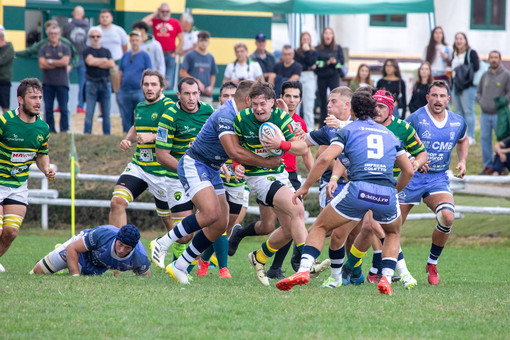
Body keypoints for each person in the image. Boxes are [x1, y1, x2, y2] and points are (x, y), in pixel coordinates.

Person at [276, 91, 413, 295]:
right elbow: (409, 170)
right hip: (386, 193)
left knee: (320, 227)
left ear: (352, 110)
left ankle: (304, 270)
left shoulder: (348, 129)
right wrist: (394, 191)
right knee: (392, 233)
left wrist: (305, 186)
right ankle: (385, 278)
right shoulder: (390, 134)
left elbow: (323, 159)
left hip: (358, 189)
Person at [150, 80, 280, 284]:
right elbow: (233, 151)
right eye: (254, 103)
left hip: (211, 168)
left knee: (221, 224)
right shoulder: (226, 115)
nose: (256, 108)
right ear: (247, 99)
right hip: (195, 164)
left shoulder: (241, 116)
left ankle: (181, 265)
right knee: (210, 213)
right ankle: (162, 242)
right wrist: (266, 162)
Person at [341, 90, 428, 290]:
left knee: (370, 228)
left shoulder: (403, 128)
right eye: (375, 106)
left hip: (393, 185)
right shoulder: (362, 125)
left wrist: (416, 162)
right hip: (367, 182)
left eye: (382, 107)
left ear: (391, 110)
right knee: (372, 228)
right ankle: (399, 273)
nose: (377, 110)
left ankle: (355, 269)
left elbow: (422, 153)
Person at [234, 82, 310, 286]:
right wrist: (236, 164)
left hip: (280, 173)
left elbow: (302, 148)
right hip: (257, 177)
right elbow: (234, 147)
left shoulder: (282, 117)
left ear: (271, 104)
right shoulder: (241, 119)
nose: (258, 109)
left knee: (287, 229)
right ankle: (306, 265)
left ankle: (258, 257)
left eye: (262, 104)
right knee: (298, 211)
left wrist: (281, 144)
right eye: (255, 104)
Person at [399, 80, 469, 285]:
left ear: (448, 99)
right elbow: (397, 144)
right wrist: (412, 161)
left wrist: (462, 161)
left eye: (442, 96)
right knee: (392, 226)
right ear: (427, 97)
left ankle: (432, 263)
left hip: (437, 177)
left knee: (447, 216)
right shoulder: (415, 119)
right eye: (434, 95)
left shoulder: (457, 121)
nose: (438, 100)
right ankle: (380, 267)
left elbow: (463, 139)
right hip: (410, 178)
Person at [152, 77, 215, 269]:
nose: (191, 98)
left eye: (195, 93)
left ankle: (185, 262)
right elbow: (162, 155)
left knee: (212, 219)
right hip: (177, 178)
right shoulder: (169, 116)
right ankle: (163, 243)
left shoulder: (208, 111)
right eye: (186, 93)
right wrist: (187, 170)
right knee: (185, 236)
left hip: (203, 176)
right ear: (178, 95)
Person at [0, 78, 56, 273]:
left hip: (18, 186)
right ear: (20, 100)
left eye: (40, 97)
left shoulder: (43, 128)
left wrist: (46, 168)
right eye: (33, 97)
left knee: (10, 232)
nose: (38, 101)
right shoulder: (5, 121)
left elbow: (42, 155)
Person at [109, 69, 174, 235]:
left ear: (162, 87)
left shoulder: (169, 107)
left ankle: (179, 251)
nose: (149, 88)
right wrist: (127, 139)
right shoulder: (139, 107)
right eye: (146, 84)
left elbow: (176, 133)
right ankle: (117, 251)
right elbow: (136, 127)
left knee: (169, 222)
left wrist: (152, 136)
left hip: (162, 172)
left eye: (154, 84)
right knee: (117, 202)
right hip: (140, 167)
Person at [196, 81, 239, 278]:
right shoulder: (215, 116)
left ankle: (203, 260)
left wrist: (241, 167)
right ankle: (222, 267)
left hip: (238, 179)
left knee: (227, 223)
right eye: (225, 96)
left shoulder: (244, 118)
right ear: (219, 98)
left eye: (233, 96)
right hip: (210, 171)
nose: (228, 99)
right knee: (214, 219)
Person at [32, 224, 150, 276]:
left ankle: (68, 265)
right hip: (79, 251)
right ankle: (62, 253)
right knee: (38, 271)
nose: (121, 250)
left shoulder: (140, 256)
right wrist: (75, 277)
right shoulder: (102, 235)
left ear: (133, 248)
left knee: (85, 274)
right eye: (120, 244)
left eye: (127, 248)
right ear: (116, 239)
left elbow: (145, 276)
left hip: (96, 266)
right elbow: (72, 248)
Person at [476, 50, 510, 175]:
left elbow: (509, 93)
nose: (494, 59)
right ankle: (489, 166)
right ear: (489, 60)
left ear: (500, 59)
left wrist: (501, 102)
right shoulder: (485, 75)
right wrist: (481, 101)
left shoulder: (506, 75)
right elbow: (478, 91)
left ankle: (503, 165)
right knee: (485, 139)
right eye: (491, 57)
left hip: (499, 115)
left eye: (496, 57)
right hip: (485, 114)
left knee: (502, 139)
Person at [38, 24, 71, 133]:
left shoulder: (65, 48)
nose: (53, 35)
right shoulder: (43, 48)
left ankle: (64, 129)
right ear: (47, 34)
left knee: (64, 108)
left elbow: (65, 62)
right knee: (48, 108)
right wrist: (58, 63)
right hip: (48, 83)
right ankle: (50, 129)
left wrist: (50, 61)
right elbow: (42, 64)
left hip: (62, 82)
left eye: (55, 33)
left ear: (59, 35)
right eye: (51, 33)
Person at [117, 31, 152, 133]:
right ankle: (126, 136)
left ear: (141, 41)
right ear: (129, 41)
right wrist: (118, 90)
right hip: (124, 90)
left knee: (140, 115)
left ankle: (140, 135)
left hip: (139, 90)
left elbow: (149, 73)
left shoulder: (145, 56)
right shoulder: (125, 56)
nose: (134, 42)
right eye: (132, 40)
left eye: (137, 40)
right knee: (125, 116)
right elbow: (120, 73)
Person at [143, 2, 183, 89]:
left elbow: (181, 40)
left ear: (170, 11)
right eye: (163, 11)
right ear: (160, 11)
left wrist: (175, 52)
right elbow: (143, 22)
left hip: (169, 54)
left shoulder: (175, 22)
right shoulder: (155, 21)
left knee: (168, 80)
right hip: (157, 54)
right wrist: (155, 13)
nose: (165, 13)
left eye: (167, 11)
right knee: (155, 78)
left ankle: (167, 99)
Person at [83, 27, 114, 135]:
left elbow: (111, 64)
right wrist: (104, 60)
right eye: (93, 36)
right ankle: (87, 134)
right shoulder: (87, 50)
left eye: (98, 36)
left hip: (105, 83)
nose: (95, 38)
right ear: (89, 38)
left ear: (101, 37)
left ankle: (107, 135)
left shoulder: (106, 51)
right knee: (89, 112)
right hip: (91, 83)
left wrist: (96, 61)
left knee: (106, 113)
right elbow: (90, 62)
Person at [450, 32, 479, 145]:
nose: (458, 41)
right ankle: (462, 135)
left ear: (465, 40)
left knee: (468, 110)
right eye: (456, 38)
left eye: (461, 38)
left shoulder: (471, 53)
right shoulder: (454, 54)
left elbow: (476, 67)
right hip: (456, 85)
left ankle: (471, 136)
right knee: (458, 112)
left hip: (467, 86)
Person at [315, 27, 345, 127]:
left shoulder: (338, 48)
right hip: (322, 77)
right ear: (323, 36)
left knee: (335, 100)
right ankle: (322, 125)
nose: (328, 35)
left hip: (334, 77)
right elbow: (316, 64)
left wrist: (335, 62)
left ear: (333, 36)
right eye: (326, 33)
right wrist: (326, 62)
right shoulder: (318, 48)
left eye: (330, 33)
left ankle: (335, 123)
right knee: (323, 102)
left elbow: (342, 63)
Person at [63, 5, 89, 114]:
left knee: (65, 83)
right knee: (82, 84)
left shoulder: (67, 26)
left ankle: (64, 105)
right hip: (84, 58)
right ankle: (80, 106)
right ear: (82, 15)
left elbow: (63, 41)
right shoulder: (88, 27)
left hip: (70, 58)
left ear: (74, 14)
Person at [180, 31, 218, 105]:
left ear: (209, 42)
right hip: (192, 94)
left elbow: (213, 75)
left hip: (206, 95)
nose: (203, 43)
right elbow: (182, 73)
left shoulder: (210, 57)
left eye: (205, 41)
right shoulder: (190, 55)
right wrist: (196, 81)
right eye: (201, 40)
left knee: (207, 116)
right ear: (197, 41)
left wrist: (211, 87)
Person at [96, 9, 129, 93]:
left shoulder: (119, 30)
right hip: (100, 64)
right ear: (99, 19)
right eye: (102, 17)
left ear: (111, 18)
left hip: (116, 63)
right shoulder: (95, 31)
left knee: (118, 90)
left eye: (107, 17)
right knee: (102, 92)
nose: (104, 19)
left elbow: (125, 46)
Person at [294, 32, 317, 130]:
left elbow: (311, 62)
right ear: (300, 40)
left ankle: (310, 130)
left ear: (310, 41)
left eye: (308, 39)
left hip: (309, 76)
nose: (306, 41)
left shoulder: (313, 52)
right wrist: (308, 64)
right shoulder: (296, 52)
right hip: (299, 76)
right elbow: (298, 64)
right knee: (296, 104)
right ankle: (295, 128)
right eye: (304, 39)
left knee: (309, 105)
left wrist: (307, 51)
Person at [0, 25, 14, 113]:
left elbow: (1, 61)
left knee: (5, 107)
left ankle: (6, 126)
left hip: (3, 82)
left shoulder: (9, 48)